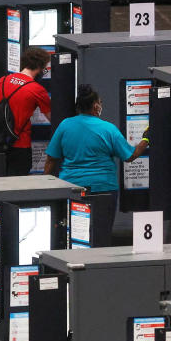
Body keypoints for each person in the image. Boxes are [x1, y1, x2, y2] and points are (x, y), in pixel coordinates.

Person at [44, 85, 149, 246]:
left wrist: (46, 187)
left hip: (72, 188)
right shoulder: (108, 129)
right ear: (95, 106)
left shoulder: (65, 125)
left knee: (73, 234)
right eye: (100, 102)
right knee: (102, 234)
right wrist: (146, 139)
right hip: (104, 189)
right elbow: (130, 156)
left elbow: (51, 159)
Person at [0, 47, 52, 176]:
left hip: (0, 141)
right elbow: (52, 118)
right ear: (39, 67)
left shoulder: (4, 80)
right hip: (21, 144)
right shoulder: (37, 89)